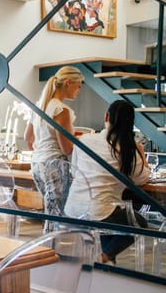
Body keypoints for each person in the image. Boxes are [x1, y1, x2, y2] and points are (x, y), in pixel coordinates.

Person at [64, 100, 149, 265]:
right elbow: (141, 179)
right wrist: (141, 153)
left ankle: (103, 260)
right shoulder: (127, 149)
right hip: (99, 211)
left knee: (113, 218)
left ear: (106, 116)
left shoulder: (85, 140)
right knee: (140, 224)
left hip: (73, 208)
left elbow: (74, 172)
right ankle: (104, 258)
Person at [23, 66, 84, 232]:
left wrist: (42, 148)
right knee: (56, 215)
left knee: (51, 212)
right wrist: (79, 140)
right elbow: (66, 149)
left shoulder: (40, 105)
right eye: (79, 85)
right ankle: (49, 250)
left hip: (37, 164)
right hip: (54, 164)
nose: (79, 90)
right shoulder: (61, 110)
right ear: (69, 82)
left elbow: (28, 137)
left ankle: (48, 249)